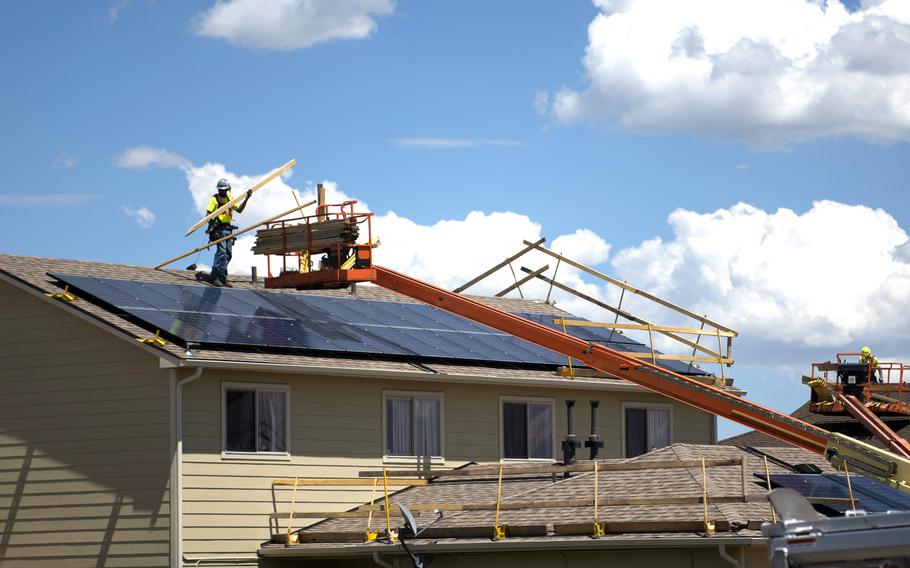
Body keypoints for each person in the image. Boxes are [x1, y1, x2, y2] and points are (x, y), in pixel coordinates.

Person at [206, 178, 251, 287]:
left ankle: (223, 276)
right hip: (218, 229)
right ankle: (215, 276)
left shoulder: (230, 198)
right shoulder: (214, 200)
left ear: (228, 190)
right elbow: (208, 215)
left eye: (224, 190)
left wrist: (247, 198)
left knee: (228, 254)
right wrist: (212, 219)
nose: (222, 192)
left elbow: (239, 210)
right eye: (221, 190)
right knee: (221, 252)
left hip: (228, 229)